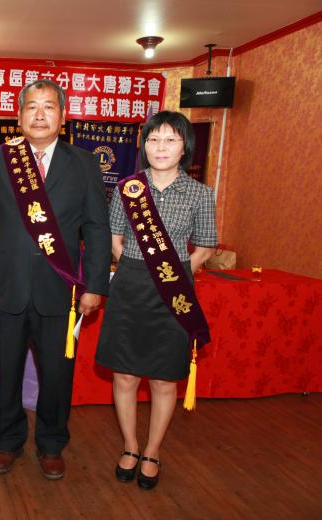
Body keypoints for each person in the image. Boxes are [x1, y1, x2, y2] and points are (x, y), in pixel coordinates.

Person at [0, 79, 111, 480]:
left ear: (62, 117)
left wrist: (95, 285)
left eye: (49, 107)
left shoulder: (83, 163)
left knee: (57, 375)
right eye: (31, 107)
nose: (40, 114)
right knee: (6, 370)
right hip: (5, 288)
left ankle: (51, 444)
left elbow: (96, 228)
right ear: (19, 117)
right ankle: (8, 440)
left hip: (60, 290)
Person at [95, 111, 216, 489]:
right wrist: (140, 266)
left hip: (174, 293)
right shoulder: (128, 188)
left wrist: (173, 274)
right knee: (125, 373)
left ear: (185, 147)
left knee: (165, 378)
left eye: (170, 140)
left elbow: (206, 246)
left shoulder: (200, 193)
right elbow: (114, 239)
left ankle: (152, 450)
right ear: (144, 145)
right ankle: (130, 445)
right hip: (129, 287)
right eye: (153, 139)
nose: (161, 147)